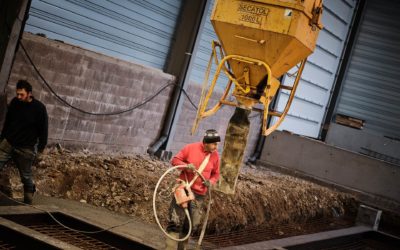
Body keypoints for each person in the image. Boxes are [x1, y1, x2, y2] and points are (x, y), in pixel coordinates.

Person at [165, 129, 221, 250]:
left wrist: (210, 182)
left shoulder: (215, 156)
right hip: (184, 190)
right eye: (214, 144)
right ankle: (169, 248)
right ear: (206, 142)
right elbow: (175, 160)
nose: (216, 147)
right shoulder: (190, 148)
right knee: (175, 221)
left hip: (199, 195)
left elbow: (216, 174)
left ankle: (182, 248)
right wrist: (186, 166)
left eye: (217, 144)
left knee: (191, 224)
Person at [0, 80, 48, 204]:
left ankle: (28, 196)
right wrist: (2, 138)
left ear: (29, 94)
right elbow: (7, 122)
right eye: (17, 94)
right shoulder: (15, 103)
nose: (18, 97)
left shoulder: (39, 109)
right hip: (9, 142)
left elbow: (44, 130)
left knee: (25, 175)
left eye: (21, 94)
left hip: (26, 147)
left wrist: (41, 149)